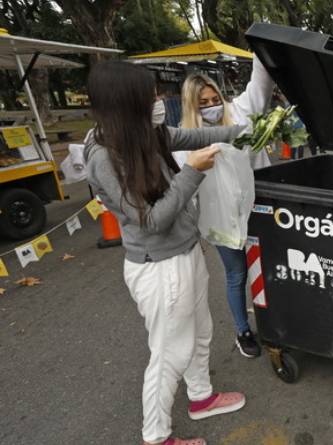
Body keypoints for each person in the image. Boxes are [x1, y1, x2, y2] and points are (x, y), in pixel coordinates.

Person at [85, 60, 247, 445]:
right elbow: (152, 221)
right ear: (127, 103)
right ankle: (157, 437)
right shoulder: (105, 156)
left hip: (185, 252)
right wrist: (192, 172)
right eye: (151, 96)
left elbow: (190, 138)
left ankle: (201, 397)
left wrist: (247, 131)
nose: (159, 101)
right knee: (169, 354)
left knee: (201, 332)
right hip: (158, 267)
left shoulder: (144, 132)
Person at [175, 58, 276, 359]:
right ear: (192, 106)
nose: (211, 106)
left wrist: (260, 45)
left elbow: (261, 84)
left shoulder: (239, 115)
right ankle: (243, 330)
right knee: (237, 274)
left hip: (257, 212)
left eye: (214, 99)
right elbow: (184, 189)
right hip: (219, 221)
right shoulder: (186, 142)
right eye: (203, 103)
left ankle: (274, 322)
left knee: (269, 269)